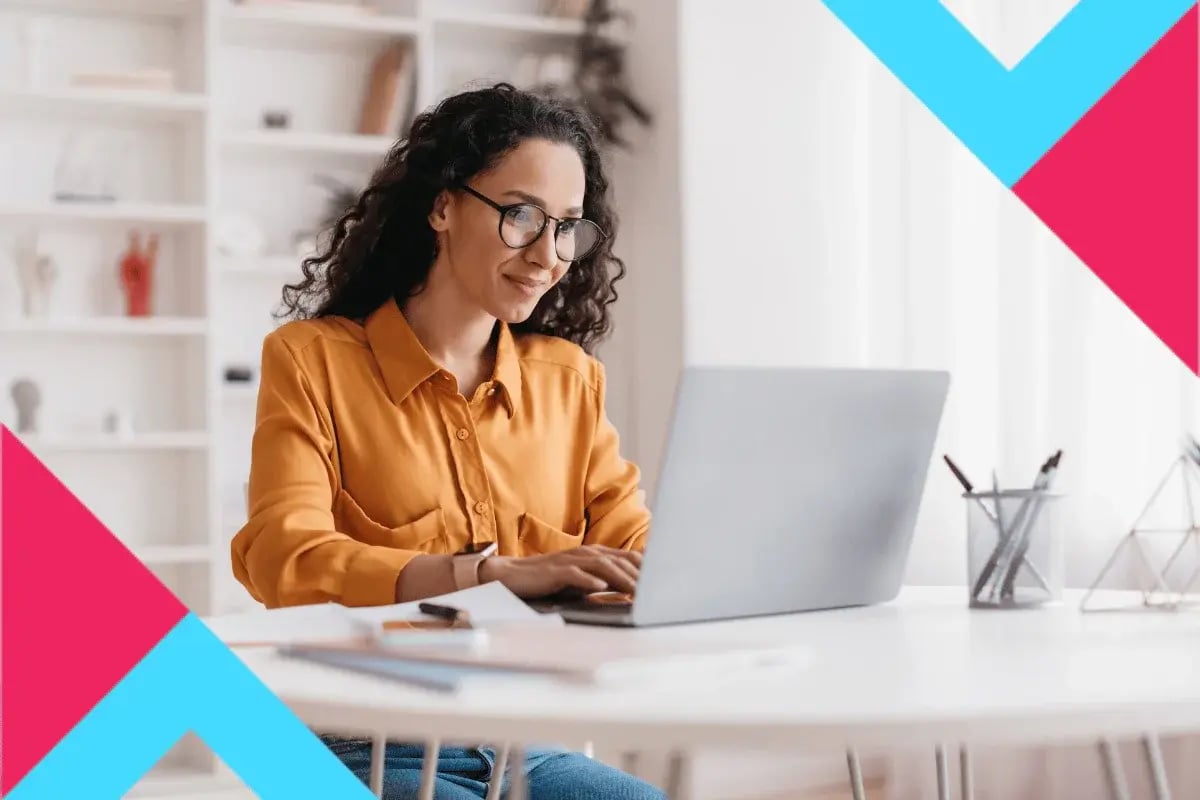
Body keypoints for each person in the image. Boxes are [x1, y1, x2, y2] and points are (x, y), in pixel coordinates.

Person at [231, 83, 664, 799]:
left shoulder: (570, 382)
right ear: (442, 206)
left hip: (527, 741)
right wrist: (481, 578)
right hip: (368, 742)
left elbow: (633, 555)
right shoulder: (313, 360)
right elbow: (282, 555)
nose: (550, 254)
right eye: (521, 216)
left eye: (567, 227)